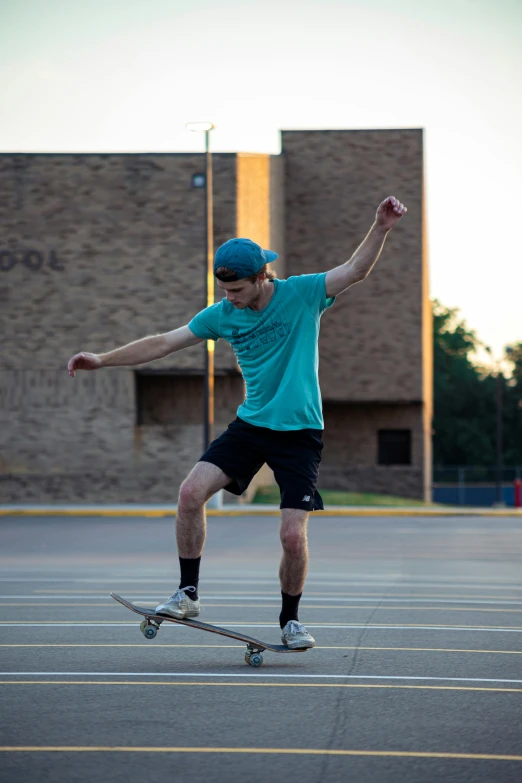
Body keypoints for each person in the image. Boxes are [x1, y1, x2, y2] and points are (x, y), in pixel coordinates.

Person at [67, 195, 407, 649]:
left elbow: (354, 270)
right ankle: (187, 593)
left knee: (291, 534)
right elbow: (163, 343)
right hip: (251, 427)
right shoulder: (222, 314)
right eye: (225, 292)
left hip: (300, 433)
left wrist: (380, 227)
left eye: (237, 291)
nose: (230, 300)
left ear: (261, 277)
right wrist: (102, 359)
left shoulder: (303, 295)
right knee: (190, 493)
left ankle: (291, 621)